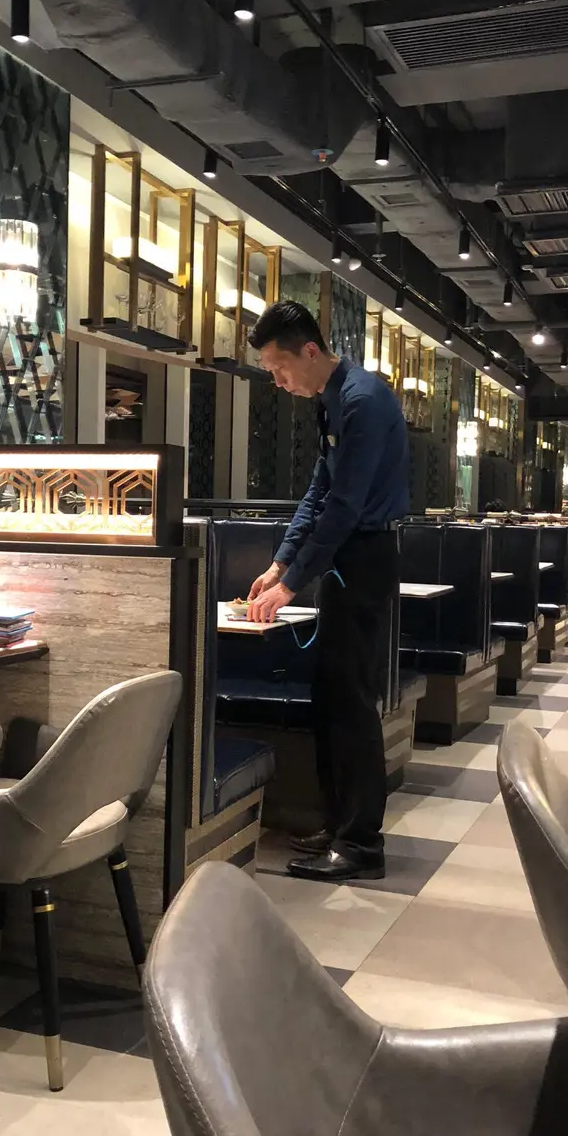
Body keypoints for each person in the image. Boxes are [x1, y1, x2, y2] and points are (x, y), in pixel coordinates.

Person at [245, 300, 409, 882]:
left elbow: (345, 506)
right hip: (345, 557)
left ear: (309, 351)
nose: (277, 380)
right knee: (330, 696)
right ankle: (338, 823)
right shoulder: (332, 400)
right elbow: (319, 490)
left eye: (278, 367)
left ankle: (361, 845)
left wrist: (293, 583)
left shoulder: (363, 400)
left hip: (366, 558)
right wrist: (281, 561)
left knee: (353, 702)